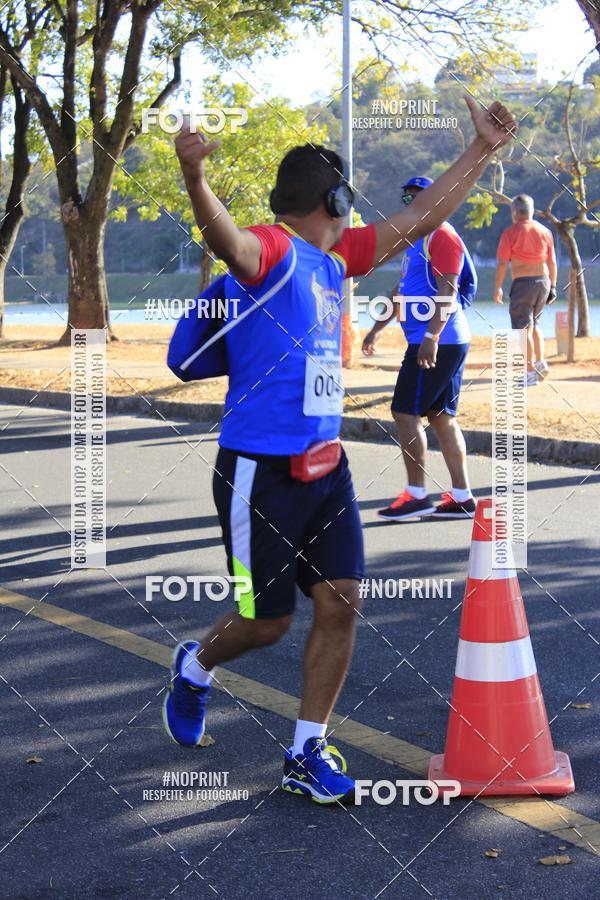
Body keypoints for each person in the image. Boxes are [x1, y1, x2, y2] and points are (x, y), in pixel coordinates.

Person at [163, 98, 516, 805]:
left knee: (341, 601)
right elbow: (229, 243)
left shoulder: (335, 259)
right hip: (259, 472)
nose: (359, 213)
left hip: (327, 467)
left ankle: (305, 751)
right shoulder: (275, 251)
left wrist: (482, 151)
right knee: (268, 623)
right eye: (349, 199)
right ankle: (196, 666)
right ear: (336, 198)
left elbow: (423, 219)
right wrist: (193, 177)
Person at [362, 177, 478, 521]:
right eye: (407, 196)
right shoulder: (416, 239)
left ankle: (416, 495)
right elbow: (401, 291)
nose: (411, 202)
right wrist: (375, 330)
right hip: (435, 339)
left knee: (404, 412)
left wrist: (432, 336)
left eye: (418, 197)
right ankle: (462, 497)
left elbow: (448, 289)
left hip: (438, 340)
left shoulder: (442, 235)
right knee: (441, 417)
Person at [494, 194, 557, 385]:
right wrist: (553, 286)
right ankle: (540, 362)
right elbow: (552, 262)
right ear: (531, 210)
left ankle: (529, 372)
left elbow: (502, 263)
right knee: (535, 325)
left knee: (523, 329)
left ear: (514, 211)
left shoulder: (510, 233)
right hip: (543, 282)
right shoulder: (545, 231)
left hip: (523, 284)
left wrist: (498, 287)